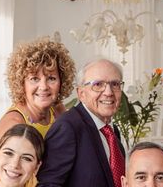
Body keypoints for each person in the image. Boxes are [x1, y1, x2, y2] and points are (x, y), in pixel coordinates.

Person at [0, 38, 76, 187]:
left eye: (51, 78)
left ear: (61, 82)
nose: (43, 87)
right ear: (21, 83)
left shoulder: (56, 109)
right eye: (34, 79)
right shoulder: (14, 122)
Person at [37, 57, 126, 187]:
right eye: (98, 85)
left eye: (115, 84)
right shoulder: (67, 127)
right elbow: (48, 185)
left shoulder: (112, 131)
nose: (108, 92)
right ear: (81, 93)